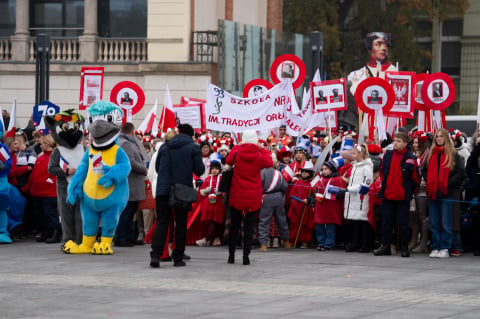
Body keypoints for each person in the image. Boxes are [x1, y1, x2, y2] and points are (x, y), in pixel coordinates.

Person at [150, 124, 205, 268]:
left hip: (163, 190)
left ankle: (155, 255)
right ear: (191, 135)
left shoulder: (164, 147)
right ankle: (178, 258)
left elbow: (157, 168)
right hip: (182, 191)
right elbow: (199, 170)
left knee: (162, 222)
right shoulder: (193, 148)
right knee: (181, 224)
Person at [224, 130, 273, 265]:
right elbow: (269, 162)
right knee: (249, 227)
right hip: (253, 196)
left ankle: (231, 255)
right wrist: (262, 149)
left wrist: (237, 146)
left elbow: (227, 161)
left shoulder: (238, 152)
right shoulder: (258, 155)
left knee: (234, 226)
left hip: (237, 194)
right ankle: (246, 256)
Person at [374, 132, 420, 257]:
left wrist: (410, 192)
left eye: (398, 141)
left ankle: (404, 248)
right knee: (386, 223)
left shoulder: (410, 157)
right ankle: (386, 246)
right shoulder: (388, 155)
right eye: (394, 140)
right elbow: (383, 172)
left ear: (405, 143)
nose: (395, 143)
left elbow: (416, 178)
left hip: (402, 196)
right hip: (388, 195)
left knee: (403, 223)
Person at [423, 128, 465, 258]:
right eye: (437, 136)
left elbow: (460, 173)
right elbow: (424, 170)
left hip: (447, 193)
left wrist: (447, 183)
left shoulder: (453, 154)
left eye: (441, 136)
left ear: (446, 138)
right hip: (433, 193)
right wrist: (429, 181)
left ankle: (445, 247)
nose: (439, 138)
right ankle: (436, 246)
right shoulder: (431, 154)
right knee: (434, 222)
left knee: (446, 223)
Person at [22, 135, 61, 243]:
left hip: (49, 192)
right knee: (41, 214)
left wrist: (50, 182)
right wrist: (28, 187)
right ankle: (46, 232)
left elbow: (58, 172)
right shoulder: (40, 158)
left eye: (42, 143)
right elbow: (33, 174)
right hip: (38, 192)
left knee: (50, 213)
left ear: (47, 144)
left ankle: (55, 233)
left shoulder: (55, 157)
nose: (40, 145)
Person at [116, 122, 147, 247]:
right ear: (132, 131)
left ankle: (129, 236)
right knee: (126, 211)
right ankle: (121, 237)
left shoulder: (126, 142)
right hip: (130, 183)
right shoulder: (125, 143)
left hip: (132, 183)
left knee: (131, 210)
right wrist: (144, 169)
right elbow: (130, 162)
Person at [343, 144, 374, 252]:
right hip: (353, 198)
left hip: (361, 198)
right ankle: (355, 243)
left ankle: (365, 244)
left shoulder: (367, 167)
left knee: (363, 222)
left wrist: (351, 188)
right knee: (355, 222)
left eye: (354, 153)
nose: (352, 155)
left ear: (361, 154)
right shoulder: (355, 166)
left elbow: (367, 183)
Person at [312, 159, 347, 251]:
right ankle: (321, 242)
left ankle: (329, 243)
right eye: (323, 169)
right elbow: (314, 190)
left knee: (330, 225)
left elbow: (342, 192)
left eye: (326, 169)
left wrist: (333, 192)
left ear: (332, 169)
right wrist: (315, 195)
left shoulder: (338, 179)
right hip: (320, 205)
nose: (324, 171)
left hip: (332, 206)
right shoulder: (320, 179)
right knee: (319, 225)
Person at [258, 158, 290, 252]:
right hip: (279, 198)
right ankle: (286, 241)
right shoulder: (278, 173)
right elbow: (285, 186)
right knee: (281, 220)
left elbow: (259, 186)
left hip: (266, 198)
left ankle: (264, 244)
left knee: (264, 221)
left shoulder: (262, 172)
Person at [196, 157, 225, 246]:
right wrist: (205, 191)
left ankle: (208, 238)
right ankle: (213, 238)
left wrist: (221, 192)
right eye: (212, 169)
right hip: (208, 204)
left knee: (216, 220)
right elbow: (201, 191)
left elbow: (226, 191)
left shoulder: (222, 179)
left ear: (220, 169)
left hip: (219, 204)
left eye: (216, 168)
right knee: (209, 220)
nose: (214, 170)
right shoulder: (208, 179)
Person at [409, 131, 430, 253]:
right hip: (413, 189)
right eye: (414, 142)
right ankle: (413, 241)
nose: (415, 145)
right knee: (413, 216)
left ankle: (423, 242)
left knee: (422, 216)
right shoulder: (413, 154)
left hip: (423, 188)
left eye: (417, 142)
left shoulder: (427, 155)